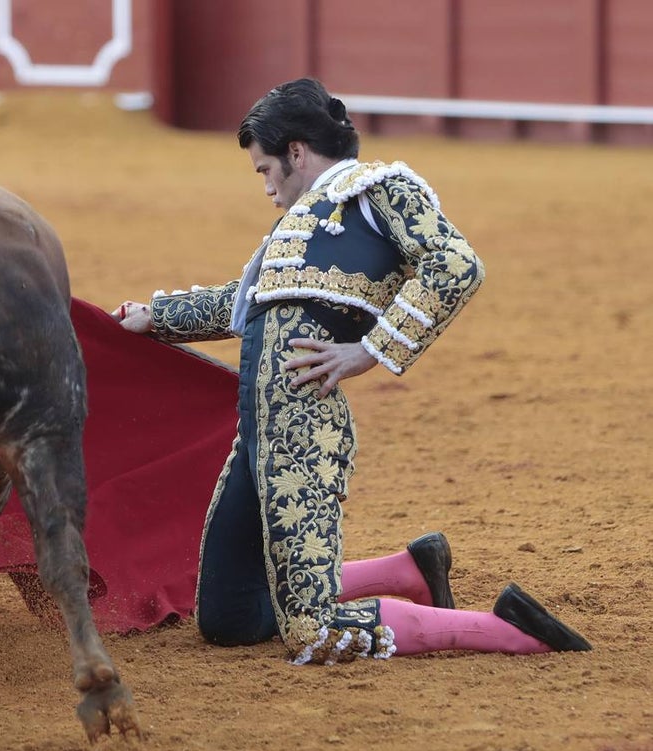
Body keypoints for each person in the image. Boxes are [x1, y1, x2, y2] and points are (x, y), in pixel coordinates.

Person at [112, 77, 590, 664]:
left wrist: (369, 350)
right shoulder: (303, 225)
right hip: (257, 435)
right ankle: (409, 570)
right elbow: (248, 301)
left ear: (295, 151)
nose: (265, 188)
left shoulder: (378, 191)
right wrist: (155, 316)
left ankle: (512, 629)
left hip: (303, 436)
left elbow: (457, 264)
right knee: (228, 616)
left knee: (312, 633)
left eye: (265, 170)